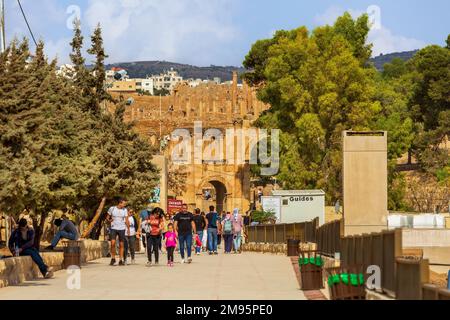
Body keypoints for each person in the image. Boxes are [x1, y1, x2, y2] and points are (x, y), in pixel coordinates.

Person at [107, 198, 129, 266]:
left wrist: (128, 229)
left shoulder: (125, 210)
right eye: (123, 204)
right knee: (113, 243)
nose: (124, 205)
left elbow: (126, 220)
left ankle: (120, 260)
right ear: (120, 203)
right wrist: (110, 220)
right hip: (113, 228)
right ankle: (113, 258)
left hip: (122, 228)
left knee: (121, 244)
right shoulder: (112, 208)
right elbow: (107, 217)